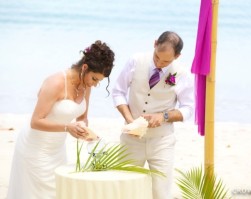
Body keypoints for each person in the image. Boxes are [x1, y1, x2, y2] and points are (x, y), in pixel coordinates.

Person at [7, 40, 115, 199]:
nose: (95, 84)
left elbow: (83, 117)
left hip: (57, 151)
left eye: (99, 81)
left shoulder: (86, 85)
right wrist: (68, 128)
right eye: (94, 79)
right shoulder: (56, 82)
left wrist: (83, 129)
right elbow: (35, 121)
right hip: (34, 150)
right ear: (85, 68)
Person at [112, 31, 194, 199]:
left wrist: (164, 116)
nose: (159, 64)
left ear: (177, 56)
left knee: (160, 192)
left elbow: (188, 109)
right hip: (131, 139)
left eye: (166, 61)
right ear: (155, 44)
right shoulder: (136, 60)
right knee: (125, 190)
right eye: (157, 57)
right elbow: (118, 92)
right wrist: (129, 120)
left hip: (162, 142)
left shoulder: (183, 73)